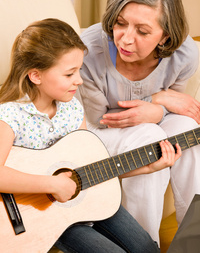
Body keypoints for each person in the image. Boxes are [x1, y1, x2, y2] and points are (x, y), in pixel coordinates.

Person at [0, 18, 181, 252]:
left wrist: (149, 168)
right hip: (47, 218)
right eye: (69, 74)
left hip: (89, 201)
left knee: (147, 247)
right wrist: (53, 184)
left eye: (79, 70)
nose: (79, 80)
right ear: (36, 75)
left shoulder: (72, 109)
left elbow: (90, 169)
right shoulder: (10, 115)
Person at [78, 0, 200, 244]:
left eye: (143, 31)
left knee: (189, 129)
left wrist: (159, 106)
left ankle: (194, 239)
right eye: (120, 23)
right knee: (149, 140)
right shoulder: (89, 49)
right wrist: (157, 102)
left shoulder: (185, 54)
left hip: (148, 123)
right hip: (98, 130)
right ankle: (143, 245)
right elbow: (99, 117)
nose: (125, 39)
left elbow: (174, 108)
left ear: (165, 37)